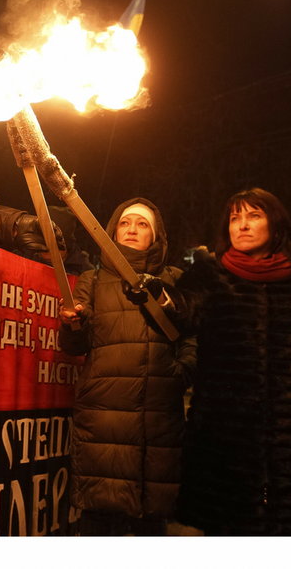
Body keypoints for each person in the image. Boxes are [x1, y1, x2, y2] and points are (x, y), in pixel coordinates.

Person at [175, 187, 291, 535]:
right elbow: (180, 314)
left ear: (276, 224)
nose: (241, 225)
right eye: (234, 218)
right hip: (223, 447)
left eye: (253, 216)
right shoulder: (209, 279)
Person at [57, 197, 195, 535]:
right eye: (125, 222)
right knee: (102, 524)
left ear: (157, 236)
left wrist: (180, 374)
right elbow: (75, 345)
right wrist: (72, 323)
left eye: (142, 224)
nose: (132, 229)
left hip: (157, 418)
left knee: (151, 523)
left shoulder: (175, 279)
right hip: (105, 420)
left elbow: (192, 335)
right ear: (111, 232)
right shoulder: (92, 279)